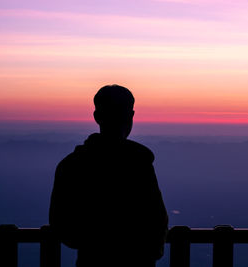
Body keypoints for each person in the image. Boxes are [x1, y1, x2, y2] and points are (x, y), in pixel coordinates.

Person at [49, 85, 168, 267]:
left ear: (97, 117)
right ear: (131, 116)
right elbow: (157, 218)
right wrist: (147, 251)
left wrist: (94, 240)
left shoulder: (72, 165)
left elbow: (61, 225)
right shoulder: (139, 164)